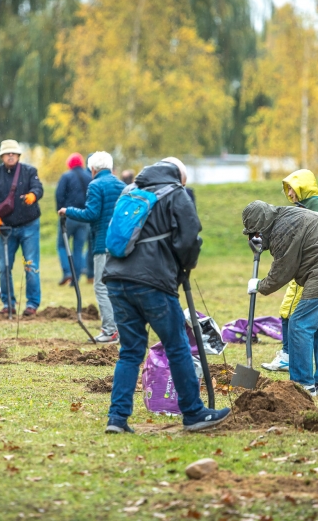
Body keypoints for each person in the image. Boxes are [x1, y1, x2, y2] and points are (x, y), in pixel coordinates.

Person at [102, 159, 230, 433]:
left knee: (130, 352)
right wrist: (185, 267)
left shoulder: (130, 191)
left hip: (116, 278)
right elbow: (189, 238)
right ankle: (194, 413)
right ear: (180, 177)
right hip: (152, 282)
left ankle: (117, 419)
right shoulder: (176, 193)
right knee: (177, 345)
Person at [243, 201, 318, 396]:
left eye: (255, 232)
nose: (255, 238)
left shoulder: (283, 228)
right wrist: (262, 244)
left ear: (262, 225)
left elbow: (284, 269)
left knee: (299, 324)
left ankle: (302, 386)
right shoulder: (286, 216)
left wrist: (260, 285)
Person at [262, 169, 318, 375]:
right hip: (313, 266)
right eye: (287, 190)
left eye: (291, 189)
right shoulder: (304, 207)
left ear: (303, 187)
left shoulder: (315, 205)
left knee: (296, 316)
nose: (289, 194)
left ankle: (291, 358)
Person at [60, 151, 125, 344]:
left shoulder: (95, 185)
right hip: (120, 245)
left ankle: (110, 331)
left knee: (101, 287)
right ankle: (122, 328)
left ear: (93, 169)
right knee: (117, 288)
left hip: (102, 244)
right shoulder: (122, 185)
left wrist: (68, 211)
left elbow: (91, 214)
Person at [0, 139, 44, 316]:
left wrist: (33, 195)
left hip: (29, 225)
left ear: (18, 155)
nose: (10, 155)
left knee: (31, 266)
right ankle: (8, 303)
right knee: (4, 267)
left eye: (13, 153)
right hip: (6, 229)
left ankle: (32, 304)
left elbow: (38, 187)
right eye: (7, 153)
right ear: (2, 156)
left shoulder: (29, 171)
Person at [55, 153, 91, 285]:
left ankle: (67, 272)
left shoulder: (66, 176)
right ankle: (75, 279)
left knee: (62, 245)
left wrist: (60, 211)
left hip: (68, 216)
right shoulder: (89, 177)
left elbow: (59, 195)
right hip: (84, 217)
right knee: (78, 248)